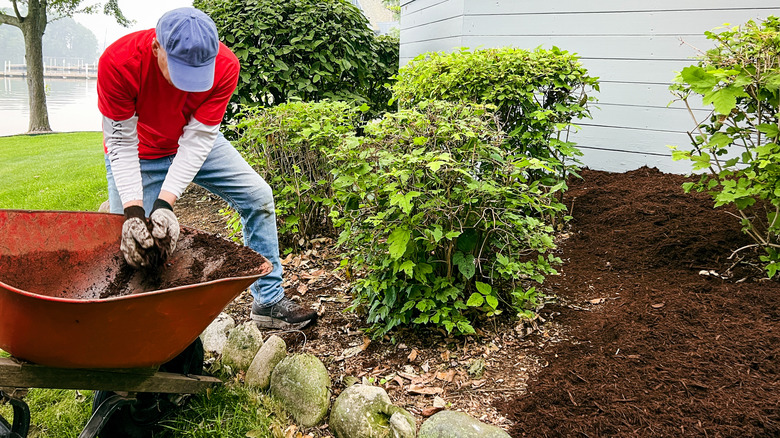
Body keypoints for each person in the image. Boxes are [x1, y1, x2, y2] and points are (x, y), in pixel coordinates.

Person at [97, 7, 316, 330]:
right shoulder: (118, 62)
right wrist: (133, 210)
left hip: (194, 139)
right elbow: (121, 143)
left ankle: (268, 303)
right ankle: (129, 332)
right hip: (139, 151)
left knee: (258, 196)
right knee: (133, 245)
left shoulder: (225, 65)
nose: (191, 86)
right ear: (157, 48)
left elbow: (199, 139)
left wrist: (164, 204)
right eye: (181, 72)